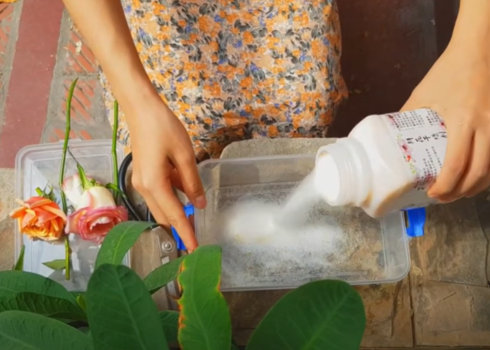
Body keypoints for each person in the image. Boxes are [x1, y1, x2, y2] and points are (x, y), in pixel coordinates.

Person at [61, 0, 490, 251]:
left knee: (302, 108)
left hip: (281, 16)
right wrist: (138, 101)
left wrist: (477, 51)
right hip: (164, 21)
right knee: (186, 131)